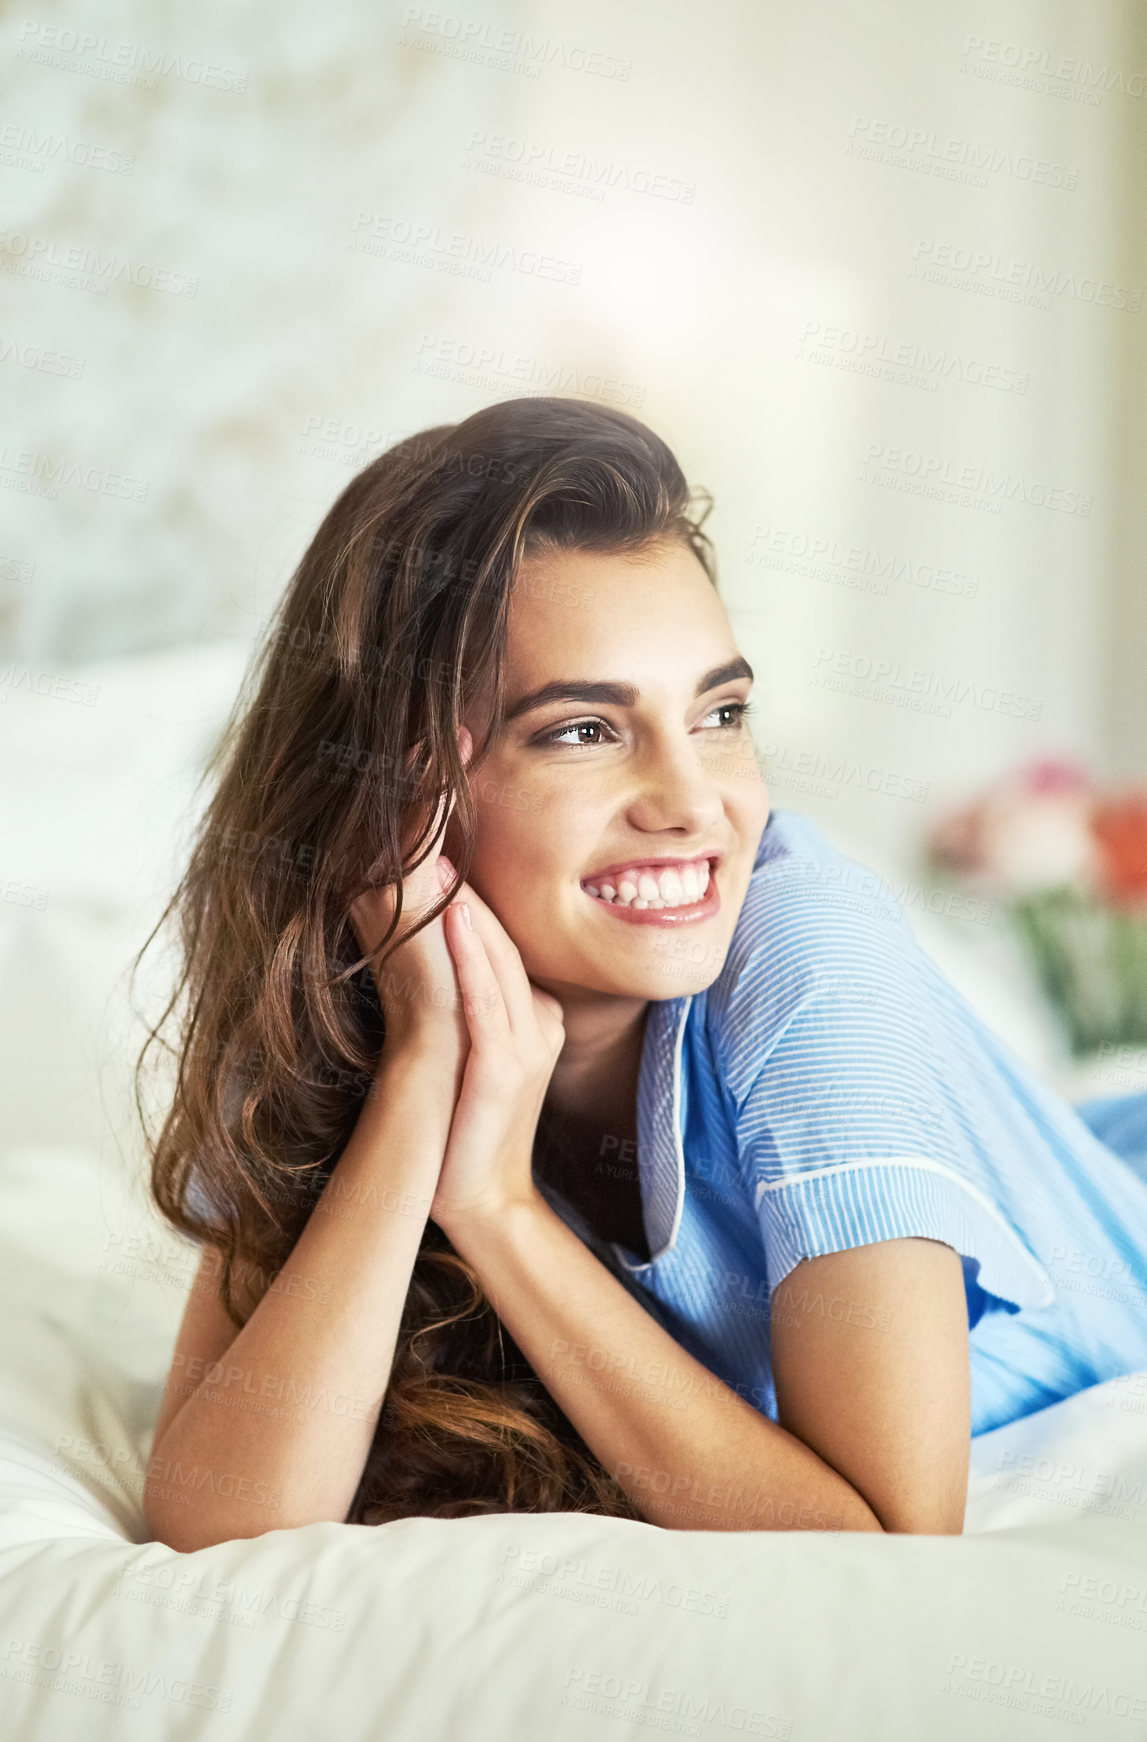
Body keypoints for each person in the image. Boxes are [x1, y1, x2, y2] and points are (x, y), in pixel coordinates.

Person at [137, 396, 1147, 1553]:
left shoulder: (809, 957)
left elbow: (881, 1538)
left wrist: (498, 1208)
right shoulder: (330, 1003)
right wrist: (425, 1073)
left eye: (719, 713)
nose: (692, 803)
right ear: (396, 795)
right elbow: (219, 1521)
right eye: (582, 729)